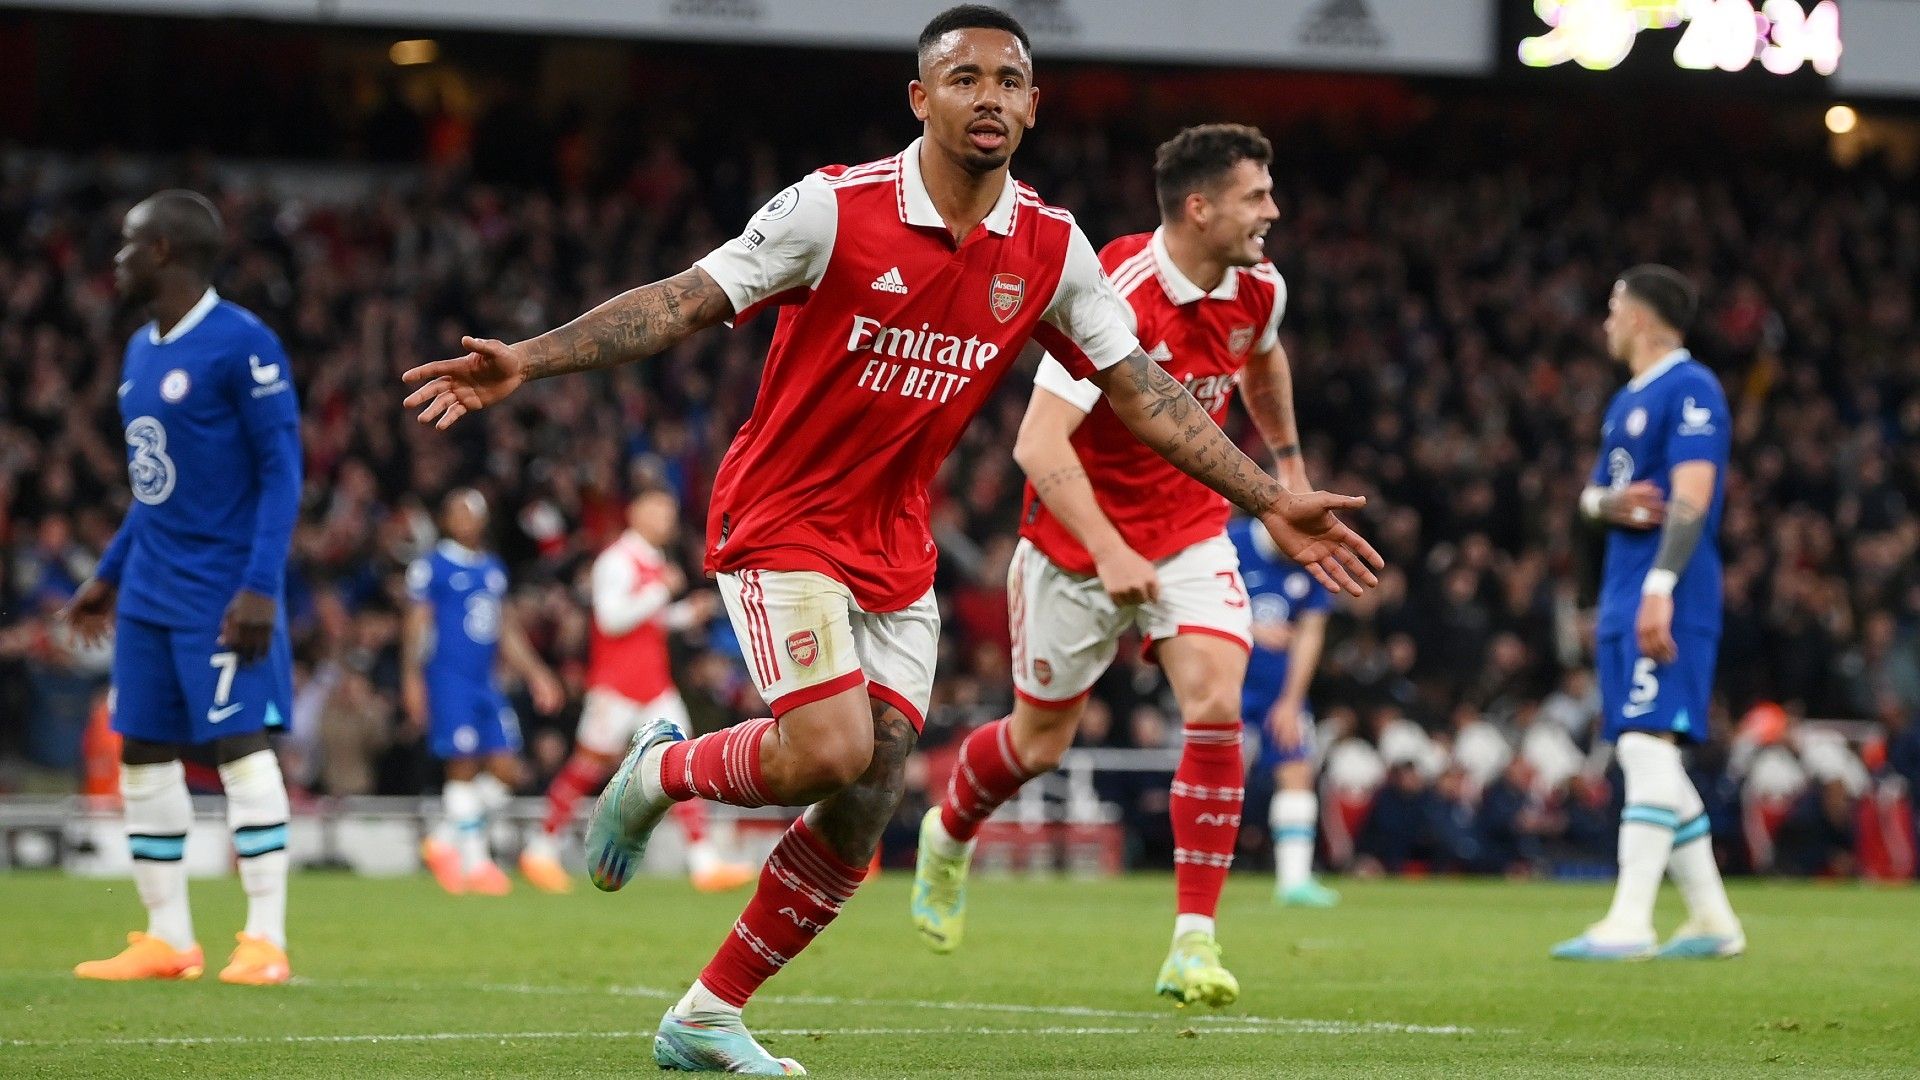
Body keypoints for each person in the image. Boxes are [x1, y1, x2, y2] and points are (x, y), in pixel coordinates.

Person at [402, 7, 1380, 1072]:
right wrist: (528, 363)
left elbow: (1143, 392)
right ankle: (664, 771)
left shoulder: (1051, 248)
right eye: (964, 78)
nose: (990, 97)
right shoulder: (832, 209)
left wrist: (1267, 496)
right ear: (922, 99)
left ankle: (705, 1015)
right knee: (831, 750)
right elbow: (687, 301)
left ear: (1035, 106)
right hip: (782, 518)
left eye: (1011, 80)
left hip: (895, 544)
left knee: (866, 804)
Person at [910, 123, 1310, 1007]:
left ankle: (1192, 943)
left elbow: (1264, 359)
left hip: (1195, 530)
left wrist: (1288, 472)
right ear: (1199, 207)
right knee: (1037, 745)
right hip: (1072, 544)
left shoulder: (1260, 287)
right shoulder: (1116, 290)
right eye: (1256, 195)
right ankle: (950, 830)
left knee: (1215, 704)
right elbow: (1036, 442)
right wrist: (1108, 548)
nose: (1273, 211)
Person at [63, 190, 301, 985]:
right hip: (149, 591)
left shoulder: (243, 343)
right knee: (143, 751)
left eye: (129, 245)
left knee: (239, 746)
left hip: (221, 588)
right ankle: (168, 937)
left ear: (163, 250)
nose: (119, 259)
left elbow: (281, 471)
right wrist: (108, 576)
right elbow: (152, 489)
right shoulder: (140, 349)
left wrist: (261, 586)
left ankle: (264, 939)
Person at [1552, 265, 1744, 961]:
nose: (1605, 321)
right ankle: (1713, 921)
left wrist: (1662, 585)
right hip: (1623, 591)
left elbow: (1693, 493)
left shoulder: (1692, 387)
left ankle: (1631, 920)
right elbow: (1597, 498)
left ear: (1638, 315)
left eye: (1611, 307)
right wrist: (1601, 504)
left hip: (1669, 591)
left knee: (1642, 745)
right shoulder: (1625, 401)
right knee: (1649, 747)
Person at [520, 486, 752, 894]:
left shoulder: (649, 559)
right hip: (616, 687)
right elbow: (611, 619)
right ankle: (540, 849)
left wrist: (684, 614)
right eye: (659, 510)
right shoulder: (617, 560)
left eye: (670, 510)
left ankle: (704, 863)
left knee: (683, 763)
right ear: (636, 513)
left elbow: (649, 620)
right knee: (588, 766)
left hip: (654, 684)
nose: (667, 519)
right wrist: (661, 590)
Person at [406, 488, 563, 896]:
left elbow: (505, 628)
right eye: (457, 511)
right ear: (445, 520)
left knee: (508, 771)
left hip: (486, 682)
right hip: (448, 679)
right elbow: (417, 624)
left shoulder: (492, 568)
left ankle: (441, 840)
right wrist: (412, 679)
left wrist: (536, 672)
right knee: (461, 767)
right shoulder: (433, 566)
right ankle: (476, 864)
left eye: (472, 512)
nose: (465, 519)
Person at [1230, 522, 1340, 906]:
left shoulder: (1315, 555)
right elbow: (1196, 602)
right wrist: (1250, 628)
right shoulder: (1230, 541)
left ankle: (1294, 882)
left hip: (1280, 690)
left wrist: (1292, 701)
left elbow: (1311, 631)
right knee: (1218, 775)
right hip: (1226, 682)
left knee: (1296, 770)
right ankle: (1199, 872)